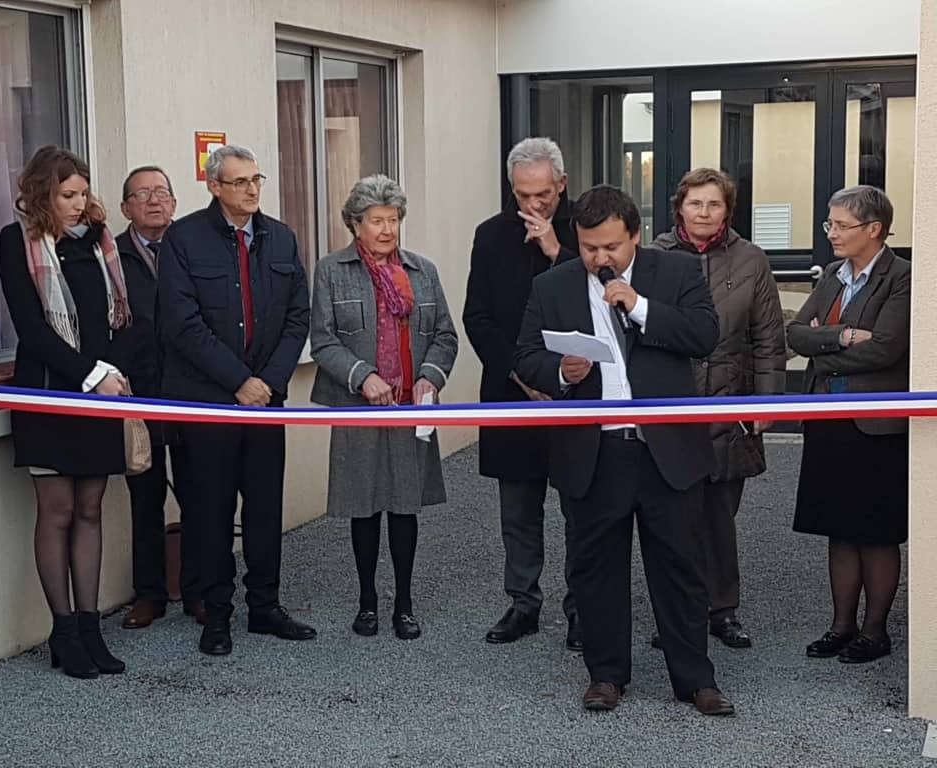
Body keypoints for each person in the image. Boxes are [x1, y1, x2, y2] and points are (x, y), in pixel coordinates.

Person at [515, 184, 734, 716]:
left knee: (681, 567)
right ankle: (606, 674)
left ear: (634, 235)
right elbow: (523, 355)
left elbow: (705, 334)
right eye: (589, 247)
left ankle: (695, 680)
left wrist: (638, 306)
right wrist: (560, 374)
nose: (599, 259)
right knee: (595, 569)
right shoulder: (553, 285)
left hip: (666, 449)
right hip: (595, 450)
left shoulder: (676, 273)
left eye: (611, 247)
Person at [158, 144, 312, 656]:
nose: (252, 189)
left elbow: (297, 317)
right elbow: (181, 324)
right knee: (211, 509)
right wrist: (236, 382)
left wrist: (266, 381)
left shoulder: (281, 238)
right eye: (240, 181)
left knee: (266, 507)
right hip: (209, 400)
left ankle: (265, 606)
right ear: (214, 187)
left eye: (256, 179)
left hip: (265, 399)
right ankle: (216, 613)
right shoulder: (184, 239)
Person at [0, 145, 133, 679]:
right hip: (50, 394)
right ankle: (64, 631)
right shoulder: (19, 241)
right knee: (56, 511)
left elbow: (119, 318)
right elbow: (32, 330)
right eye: (66, 195)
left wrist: (111, 371)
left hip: (97, 396)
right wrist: (90, 374)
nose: (78, 204)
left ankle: (91, 624)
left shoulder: (98, 243)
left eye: (82, 193)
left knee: (92, 509)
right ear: (42, 194)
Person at [310, 175, 458, 640]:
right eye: (376, 221)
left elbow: (445, 335)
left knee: (404, 506)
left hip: (410, 406)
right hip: (358, 405)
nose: (387, 229)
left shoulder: (422, 270)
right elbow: (322, 340)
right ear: (356, 225)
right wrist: (362, 377)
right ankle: (367, 601)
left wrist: (429, 377)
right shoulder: (332, 271)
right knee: (364, 504)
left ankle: (406, 604)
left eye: (392, 220)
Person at [650, 168, 786, 648]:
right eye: (695, 204)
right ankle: (676, 615)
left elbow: (770, 338)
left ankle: (722, 611)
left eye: (714, 204)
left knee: (718, 518)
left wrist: (768, 403)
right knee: (672, 517)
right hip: (672, 400)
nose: (704, 213)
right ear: (678, 208)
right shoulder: (655, 256)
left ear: (728, 209)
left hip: (732, 400)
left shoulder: (751, 259)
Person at [463, 137, 582, 650]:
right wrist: (522, 375)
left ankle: (582, 606)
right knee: (517, 506)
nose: (533, 205)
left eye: (543, 195)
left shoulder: (588, 227)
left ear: (562, 183)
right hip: (513, 390)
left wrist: (558, 250)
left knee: (581, 505)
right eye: (522, 195)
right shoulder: (491, 235)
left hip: (578, 392)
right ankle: (523, 602)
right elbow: (477, 316)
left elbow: (602, 300)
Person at [787, 185, 910, 664]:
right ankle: (841, 625)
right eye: (829, 224)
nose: (831, 233)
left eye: (840, 225)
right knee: (837, 526)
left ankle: (875, 632)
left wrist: (825, 346)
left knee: (876, 531)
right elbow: (794, 332)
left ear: (874, 229)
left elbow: (888, 348)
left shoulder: (901, 277)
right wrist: (841, 335)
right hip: (828, 416)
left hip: (874, 424)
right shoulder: (835, 276)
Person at [115, 166, 204, 629]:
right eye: (142, 194)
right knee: (144, 495)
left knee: (198, 492)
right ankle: (149, 593)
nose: (154, 201)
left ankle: (198, 590)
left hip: (190, 391)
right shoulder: (109, 254)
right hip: (137, 393)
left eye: (162, 193)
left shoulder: (192, 247)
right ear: (125, 206)